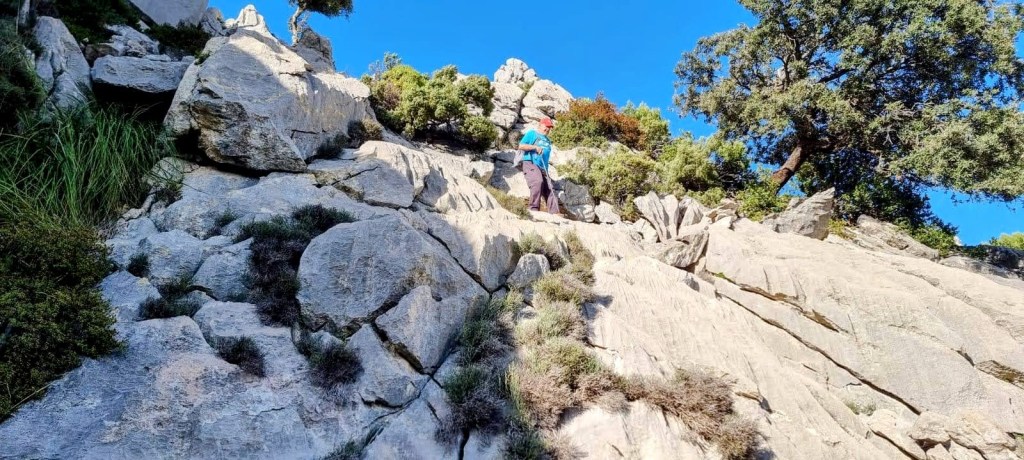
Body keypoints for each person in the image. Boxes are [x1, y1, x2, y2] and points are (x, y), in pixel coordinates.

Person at [518, 117, 560, 214]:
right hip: (530, 163)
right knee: (537, 181)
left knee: (550, 188)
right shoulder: (532, 134)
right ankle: (533, 209)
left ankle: (555, 213)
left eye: (550, 127)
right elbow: (521, 146)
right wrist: (535, 147)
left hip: (543, 167)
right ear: (540, 125)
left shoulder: (548, 141)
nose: (548, 129)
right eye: (546, 126)